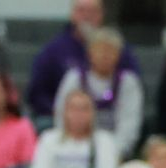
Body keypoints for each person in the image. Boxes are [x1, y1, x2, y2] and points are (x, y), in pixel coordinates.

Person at [25, 0, 140, 122]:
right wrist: (59, 112)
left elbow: (133, 85)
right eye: (82, 11)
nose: (87, 16)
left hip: (112, 118)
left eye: (93, 11)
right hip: (62, 117)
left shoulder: (120, 49)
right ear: (72, 14)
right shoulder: (53, 51)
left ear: (102, 14)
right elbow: (37, 92)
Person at [53, 27, 144, 158]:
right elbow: (61, 115)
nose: (104, 56)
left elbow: (130, 124)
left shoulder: (128, 82)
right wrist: (73, 148)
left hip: (115, 152)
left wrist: (113, 153)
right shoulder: (74, 78)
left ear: (118, 55)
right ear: (89, 53)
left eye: (110, 51)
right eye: (100, 50)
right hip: (74, 150)